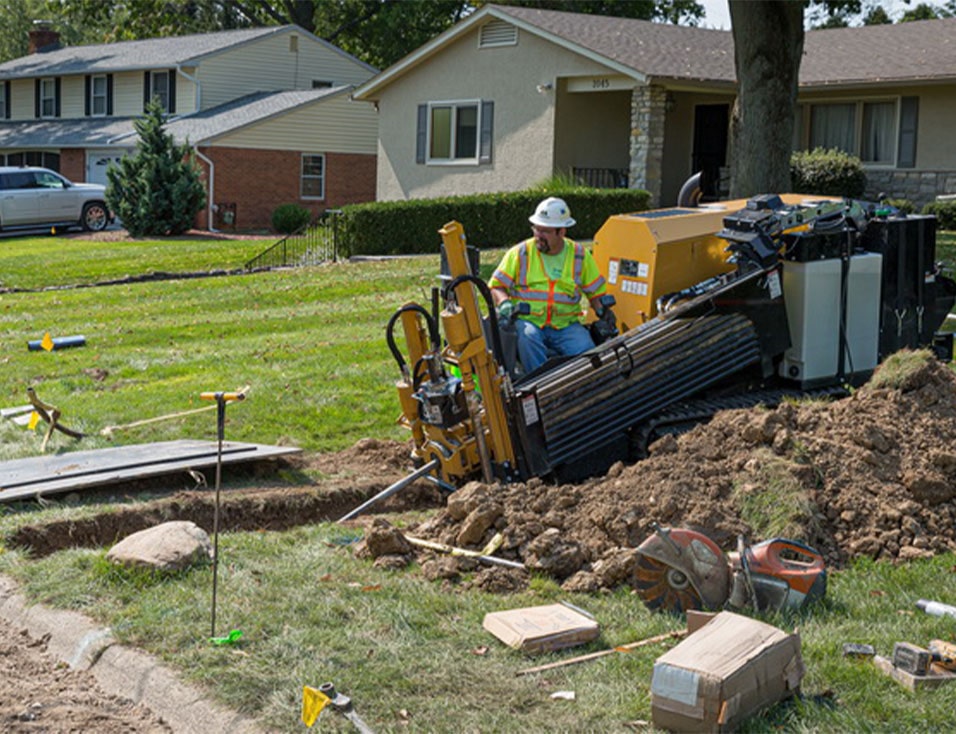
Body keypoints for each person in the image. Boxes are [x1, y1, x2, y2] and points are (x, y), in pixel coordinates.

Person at [489, 196, 607, 373]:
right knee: (528, 338)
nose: (538, 235)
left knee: (588, 352)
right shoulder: (520, 253)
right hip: (529, 323)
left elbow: (595, 293)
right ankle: (540, 384)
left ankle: (581, 385)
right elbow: (497, 285)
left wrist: (603, 312)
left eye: (545, 231)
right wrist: (504, 303)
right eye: (536, 229)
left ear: (561, 232)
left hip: (566, 325)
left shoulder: (580, 255)